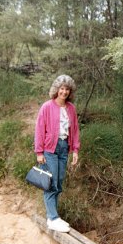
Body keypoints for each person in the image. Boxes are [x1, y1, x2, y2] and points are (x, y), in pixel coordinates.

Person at [34, 75, 80, 233]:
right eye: (62, 88)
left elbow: (74, 130)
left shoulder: (71, 109)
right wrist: (39, 152)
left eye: (67, 89)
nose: (64, 92)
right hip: (50, 149)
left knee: (58, 183)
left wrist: (75, 150)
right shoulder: (47, 107)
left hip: (63, 148)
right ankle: (52, 218)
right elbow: (40, 129)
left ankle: (53, 216)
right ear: (57, 89)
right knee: (51, 183)